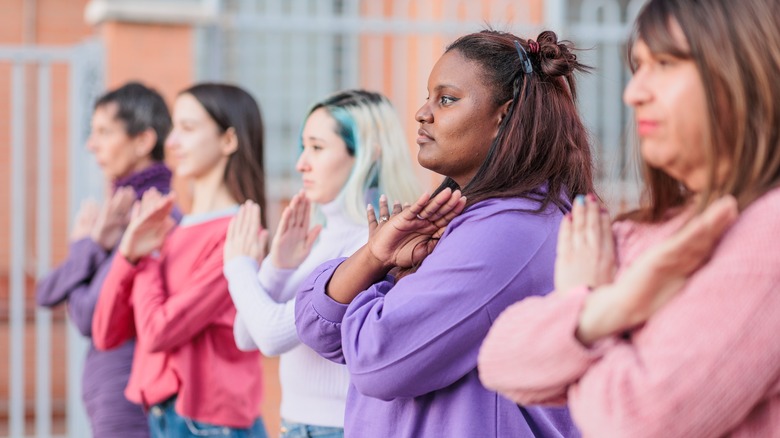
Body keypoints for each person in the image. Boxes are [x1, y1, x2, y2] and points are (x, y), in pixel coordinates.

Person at [478, 0, 780, 436]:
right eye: (638, 67)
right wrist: (613, 304)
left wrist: (583, 313)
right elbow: (502, 361)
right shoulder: (646, 230)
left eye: (665, 64)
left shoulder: (766, 234)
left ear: (745, 74)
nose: (633, 93)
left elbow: (635, 421)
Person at [295, 29, 594, 437]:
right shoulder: (462, 217)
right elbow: (317, 330)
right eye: (428, 96)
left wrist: (393, 280)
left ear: (503, 115)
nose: (422, 113)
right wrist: (374, 258)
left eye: (446, 99)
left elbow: (377, 361)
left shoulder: (509, 231)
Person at [223, 89, 421, 438]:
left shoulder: (369, 244)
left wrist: (239, 266)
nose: (301, 162)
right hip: (296, 427)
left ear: (367, 154)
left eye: (317, 147)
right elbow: (245, 336)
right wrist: (278, 266)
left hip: (335, 429)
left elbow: (270, 337)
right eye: (304, 146)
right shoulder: (320, 237)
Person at [92, 83, 268, 437]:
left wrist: (149, 258)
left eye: (187, 128)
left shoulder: (239, 232)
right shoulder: (169, 228)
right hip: (164, 417)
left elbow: (158, 332)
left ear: (228, 141)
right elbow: (105, 332)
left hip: (209, 423)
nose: (171, 142)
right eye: (174, 128)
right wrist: (129, 254)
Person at [36, 82, 172, 438]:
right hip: (115, 395)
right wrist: (93, 243)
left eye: (105, 132)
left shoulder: (150, 217)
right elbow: (45, 291)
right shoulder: (118, 215)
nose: (91, 144)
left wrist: (83, 244)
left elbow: (88, 316)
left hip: (128, 398)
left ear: (143, 141)